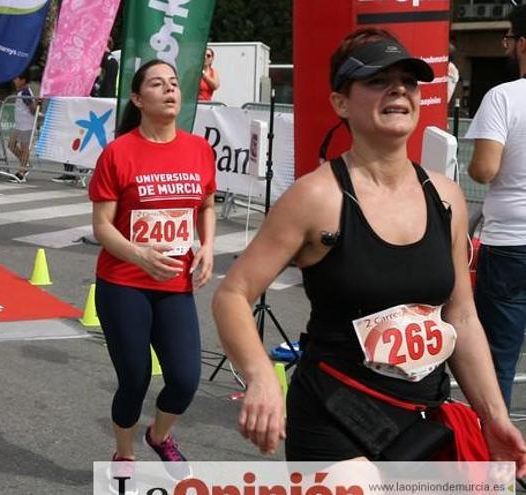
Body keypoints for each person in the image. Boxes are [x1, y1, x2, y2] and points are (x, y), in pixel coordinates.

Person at [212, 28, 526, 471]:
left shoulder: (446, 197)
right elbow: (233, 294)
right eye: (377, 80)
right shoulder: (317, 198)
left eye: (408, 81)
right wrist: (261, 374)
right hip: (334, 414)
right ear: (341, 102)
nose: (398, 89)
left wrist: (492, 416)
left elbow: (461, 315)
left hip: (422, 420)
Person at [89, 59, 216, 484]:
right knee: (135, 377)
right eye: (157, 84)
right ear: (138, 99)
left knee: (185, 378)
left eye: (174, 84)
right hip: (123, 283)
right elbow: (102, 226)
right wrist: (137, 254)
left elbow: (207, 205)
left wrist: (208, 247)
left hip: (174, 284)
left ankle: (159, 436)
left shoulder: (199, 149)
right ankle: (124, 455)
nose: (169, 90)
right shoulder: (119, 152)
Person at [466, 5, 526, 409]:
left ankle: (495, 467)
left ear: (523, 44)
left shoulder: (504, 97)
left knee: (497, 363)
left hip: (511, 242)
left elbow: (484, 170)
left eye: (508, 39)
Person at [8, 72, 37, 182]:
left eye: (16, 78)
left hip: (26, 125)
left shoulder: (25, 92)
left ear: (23, 80)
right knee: (11, 145)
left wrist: (36, 105)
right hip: (19, 125)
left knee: (25, 148)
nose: (14, 81)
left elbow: (33, 108)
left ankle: (22, 172)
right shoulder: (21, 92)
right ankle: (25, 164)